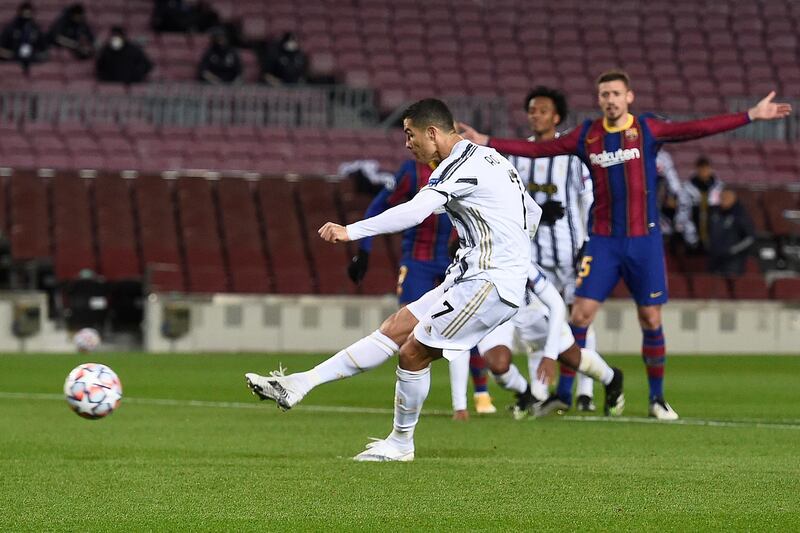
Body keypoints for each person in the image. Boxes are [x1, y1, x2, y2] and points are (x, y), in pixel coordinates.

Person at [459, 70, 792, 420]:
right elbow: (538, 149)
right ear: (600, 99)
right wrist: (488, 141)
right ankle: (565, 394)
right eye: (605, 94)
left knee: (650, 318)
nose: (611, 100)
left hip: (644, 242)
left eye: (616, 93)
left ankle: (656, 398)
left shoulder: (647, 130)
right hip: (604, 241)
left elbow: (696, 128)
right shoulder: (588, 135)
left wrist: (750, 116)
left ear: (629, 97)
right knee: (580, 315)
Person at [246, 98, 542, 461]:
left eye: (410, 134)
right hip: (472, 274)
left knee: (413, 352)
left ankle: (401, 444)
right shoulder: (493, 158)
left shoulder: (458, 165)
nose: (407, 143)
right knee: (395, 328)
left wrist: (351, 231)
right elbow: (532, 211)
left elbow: (416, 212)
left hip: (490, 282)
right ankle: (299, 384)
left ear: (432, 132)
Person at [350, 158, 498, 418]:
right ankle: (410, 401)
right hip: (417, 261)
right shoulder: (411, 170)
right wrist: (364, 249)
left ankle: (480, 392)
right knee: (406, 328)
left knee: (465, 321)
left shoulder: (466, 167)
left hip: (458, 259)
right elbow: (379, 204)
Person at [497, 86, 598, 415]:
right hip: (534, 257)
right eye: (531, 110)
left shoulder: (572, 155)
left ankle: (585, 391)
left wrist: (588, 242)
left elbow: (588, 200)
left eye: (541, 110)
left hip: (572, 254)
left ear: (556, 116)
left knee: (580, 320)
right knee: (536, 326)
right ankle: (540, 392)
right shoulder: (516, 156)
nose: (534, 115)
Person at [458, 265, 624, 420]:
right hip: (495, 315)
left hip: (530, 313)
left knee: (573, 358)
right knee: (497, 365)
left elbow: (557, 305)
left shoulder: (520, 258)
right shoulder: (469, 259)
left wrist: (550, 356)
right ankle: (525, 394)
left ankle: (612, 378)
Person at [707, 188, 755, 276]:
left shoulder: (740, 215)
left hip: (733, 262)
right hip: (715, 260)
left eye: (728, 197)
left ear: (734, 198)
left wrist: (733, 250)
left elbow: (750, 238)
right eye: (722, 197)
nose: (724, 200)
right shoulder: (714, 214)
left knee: (731, 286)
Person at [685, 156, 725, 251]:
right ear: (697, 169)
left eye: (706, 168)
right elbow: (684, 210)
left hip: (713, 228)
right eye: (701, 169)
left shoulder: (719, 187)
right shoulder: (688, 187)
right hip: (694, 227)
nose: (704, 172)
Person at [0, 2, 48, 69]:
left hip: (32, 61)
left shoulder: (36, 29)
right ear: (19, 13)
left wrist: (34, 56)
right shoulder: (10, 28)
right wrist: (14, 55)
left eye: (29, 15)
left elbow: (44, 51)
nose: (26, 18)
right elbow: (2, 50)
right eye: (24, 15)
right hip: (12, 61)